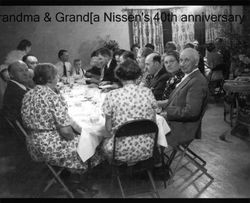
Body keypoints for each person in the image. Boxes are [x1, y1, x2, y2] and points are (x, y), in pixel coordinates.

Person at [21, 63, 103, 189]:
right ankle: (84, 182)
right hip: (49, 146)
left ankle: (71, 175)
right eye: (57, 74)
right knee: (92, 143)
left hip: (33, 142)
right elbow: (66, 132)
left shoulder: (29, 94)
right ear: (50, 79)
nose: (59, 77)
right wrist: (78, 137)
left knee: (83, 136)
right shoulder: (53, 97)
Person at [101, 59, 158, 162]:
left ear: (118, 76)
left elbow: (108, 128)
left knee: (101, 143)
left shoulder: (112, 95)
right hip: (147, 148)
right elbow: (153, 122)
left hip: (120, 150)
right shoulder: (147, 92)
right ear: (137, 76)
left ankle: (118, 170)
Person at [163, 48, 208, 147]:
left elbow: (191, 112)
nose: (182, 64)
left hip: (183, 129)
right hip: (176, 123)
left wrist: (166, 112)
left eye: (186, 60)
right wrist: (158, 103)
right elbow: (175, 100)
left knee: (147, 129)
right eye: (181, 60)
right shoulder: (189, 76)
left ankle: (154, 161)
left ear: (196, 62)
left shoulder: (197, 81)